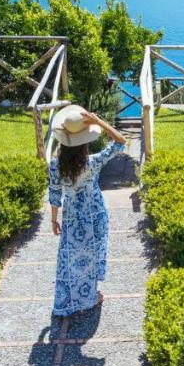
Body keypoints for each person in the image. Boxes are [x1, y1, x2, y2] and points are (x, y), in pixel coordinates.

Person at [47, 105, 128, 316]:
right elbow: (121, 142)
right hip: (95, 213)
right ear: (84, 141)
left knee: (70, 255)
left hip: (72, 216)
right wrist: (99, 122)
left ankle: (69, 300)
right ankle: (90, 296)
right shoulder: (92, 162)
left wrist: (54, 220)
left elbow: (55, 193)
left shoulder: (55, 165)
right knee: (92, 254)